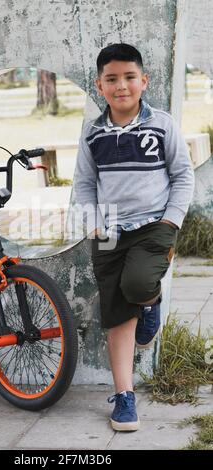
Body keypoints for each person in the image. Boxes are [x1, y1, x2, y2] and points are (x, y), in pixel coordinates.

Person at [74, 43, 194, 432]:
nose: (121, 85)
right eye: (111, 79)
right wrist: (94, 223)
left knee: (139, 282)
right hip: (108, 231)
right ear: (99, 85)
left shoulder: (161, 124)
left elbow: (182, 175)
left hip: (153, 227)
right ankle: (125, 396)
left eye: (129, 77)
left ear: (144, 80)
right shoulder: (92, 133)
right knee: (115, 313)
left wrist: (172, 221)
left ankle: (151, 300)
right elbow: (84, 183)